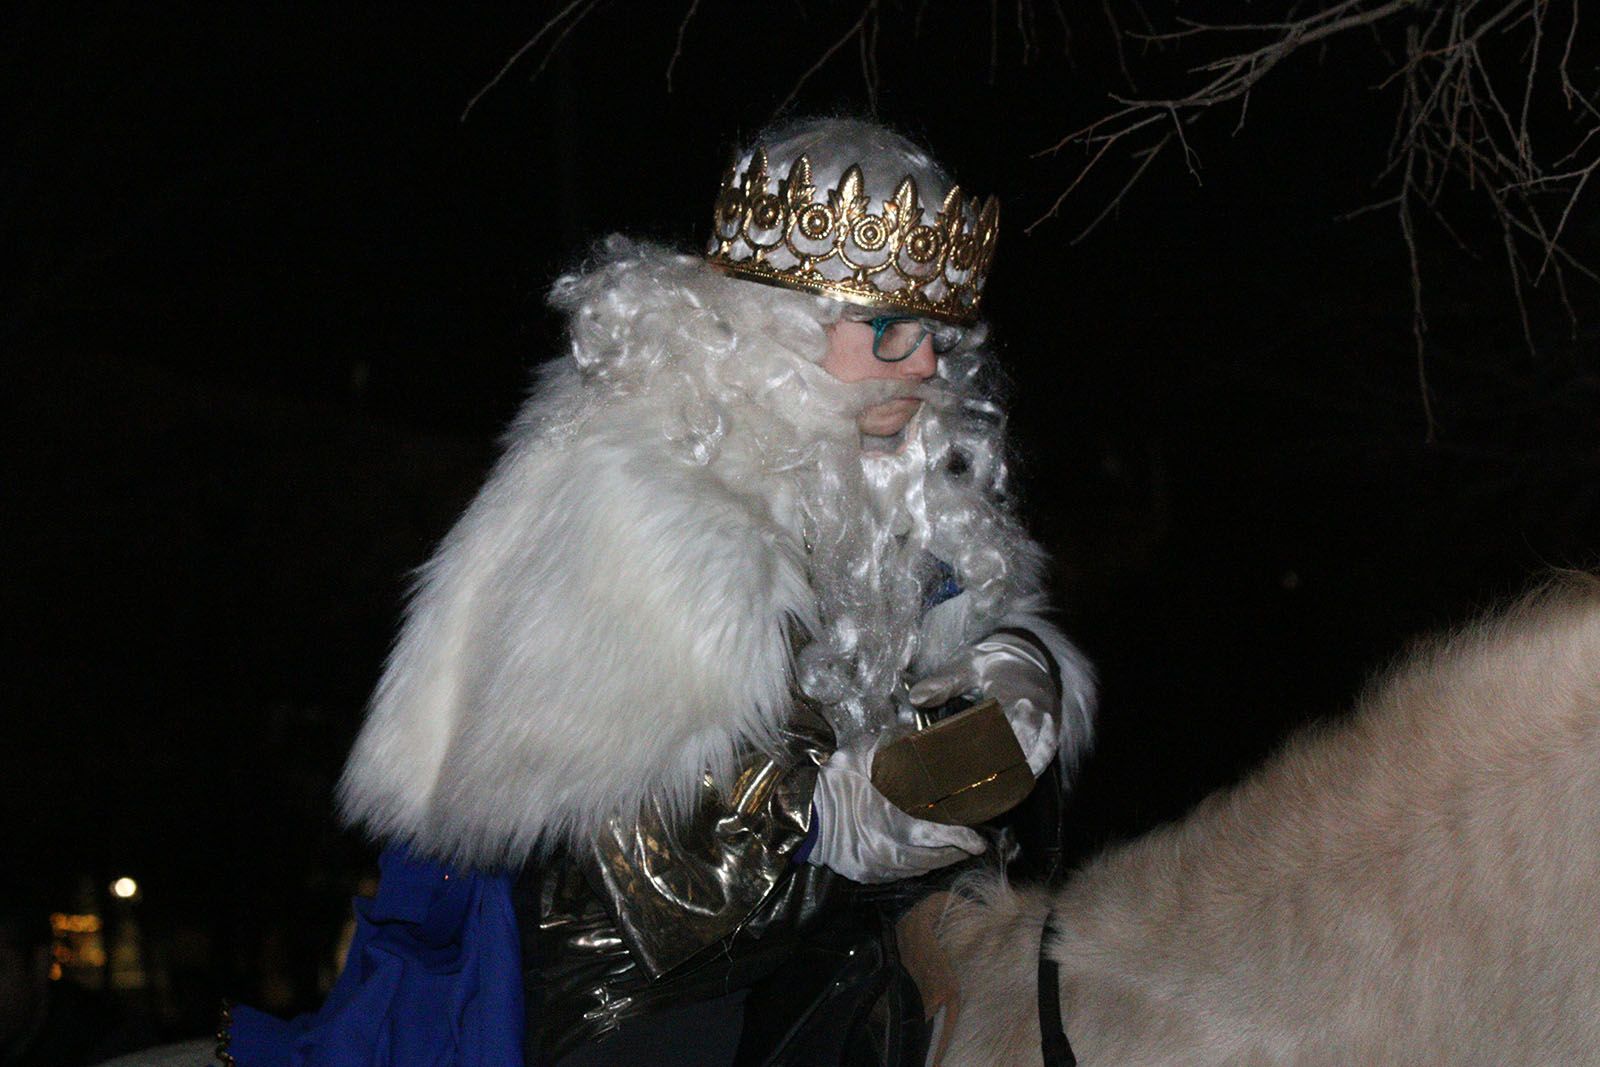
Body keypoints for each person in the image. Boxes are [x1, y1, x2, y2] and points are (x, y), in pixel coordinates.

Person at [225, 117, 1095, 1067]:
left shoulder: (891, 479)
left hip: (833, 934)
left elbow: (959, 644)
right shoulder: (645, 493)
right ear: (780, 329)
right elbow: (645, 842)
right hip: (648, 976)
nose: (927, 367)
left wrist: (1018, 665)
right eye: (890, 329)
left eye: (937, 335)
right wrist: (844, 816)